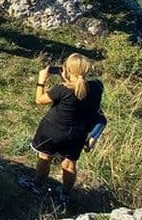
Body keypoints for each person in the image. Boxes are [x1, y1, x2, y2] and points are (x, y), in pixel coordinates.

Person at [19, 53, 105, 206]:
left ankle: (38, 186)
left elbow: (39, 100)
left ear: (66, 69)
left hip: (52, 130)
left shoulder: (61, 89)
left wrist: (41, 81)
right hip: (77, 134)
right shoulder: (97, 88)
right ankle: (65, 195)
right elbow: (81, 89)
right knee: (69, 164)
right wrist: (70, 77)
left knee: (45, 157)